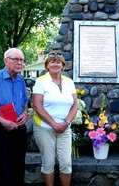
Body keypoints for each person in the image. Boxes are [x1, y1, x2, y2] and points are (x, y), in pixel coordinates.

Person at [0, 48, 29, 186]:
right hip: (0, 130)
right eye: (16, 59)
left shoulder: (20, 80)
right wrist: (3, 122)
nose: (20, 63)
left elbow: (25, 102)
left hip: (19, 128)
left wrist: (25, 113)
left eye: (21, 60)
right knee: (3, 168)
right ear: (6, 60)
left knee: (19, 166)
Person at [32, 51, 78, 186]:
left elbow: (75, 105)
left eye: (58, 62)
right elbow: (37, 106)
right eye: (52, 62)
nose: (55, 64)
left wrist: (66, 123)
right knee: (48, 162)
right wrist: (54, 124)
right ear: (47, 65)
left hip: (65, 128)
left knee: (66, 163)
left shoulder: (69, 82)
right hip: (44, 128)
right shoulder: (41, 81)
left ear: (63, 65)